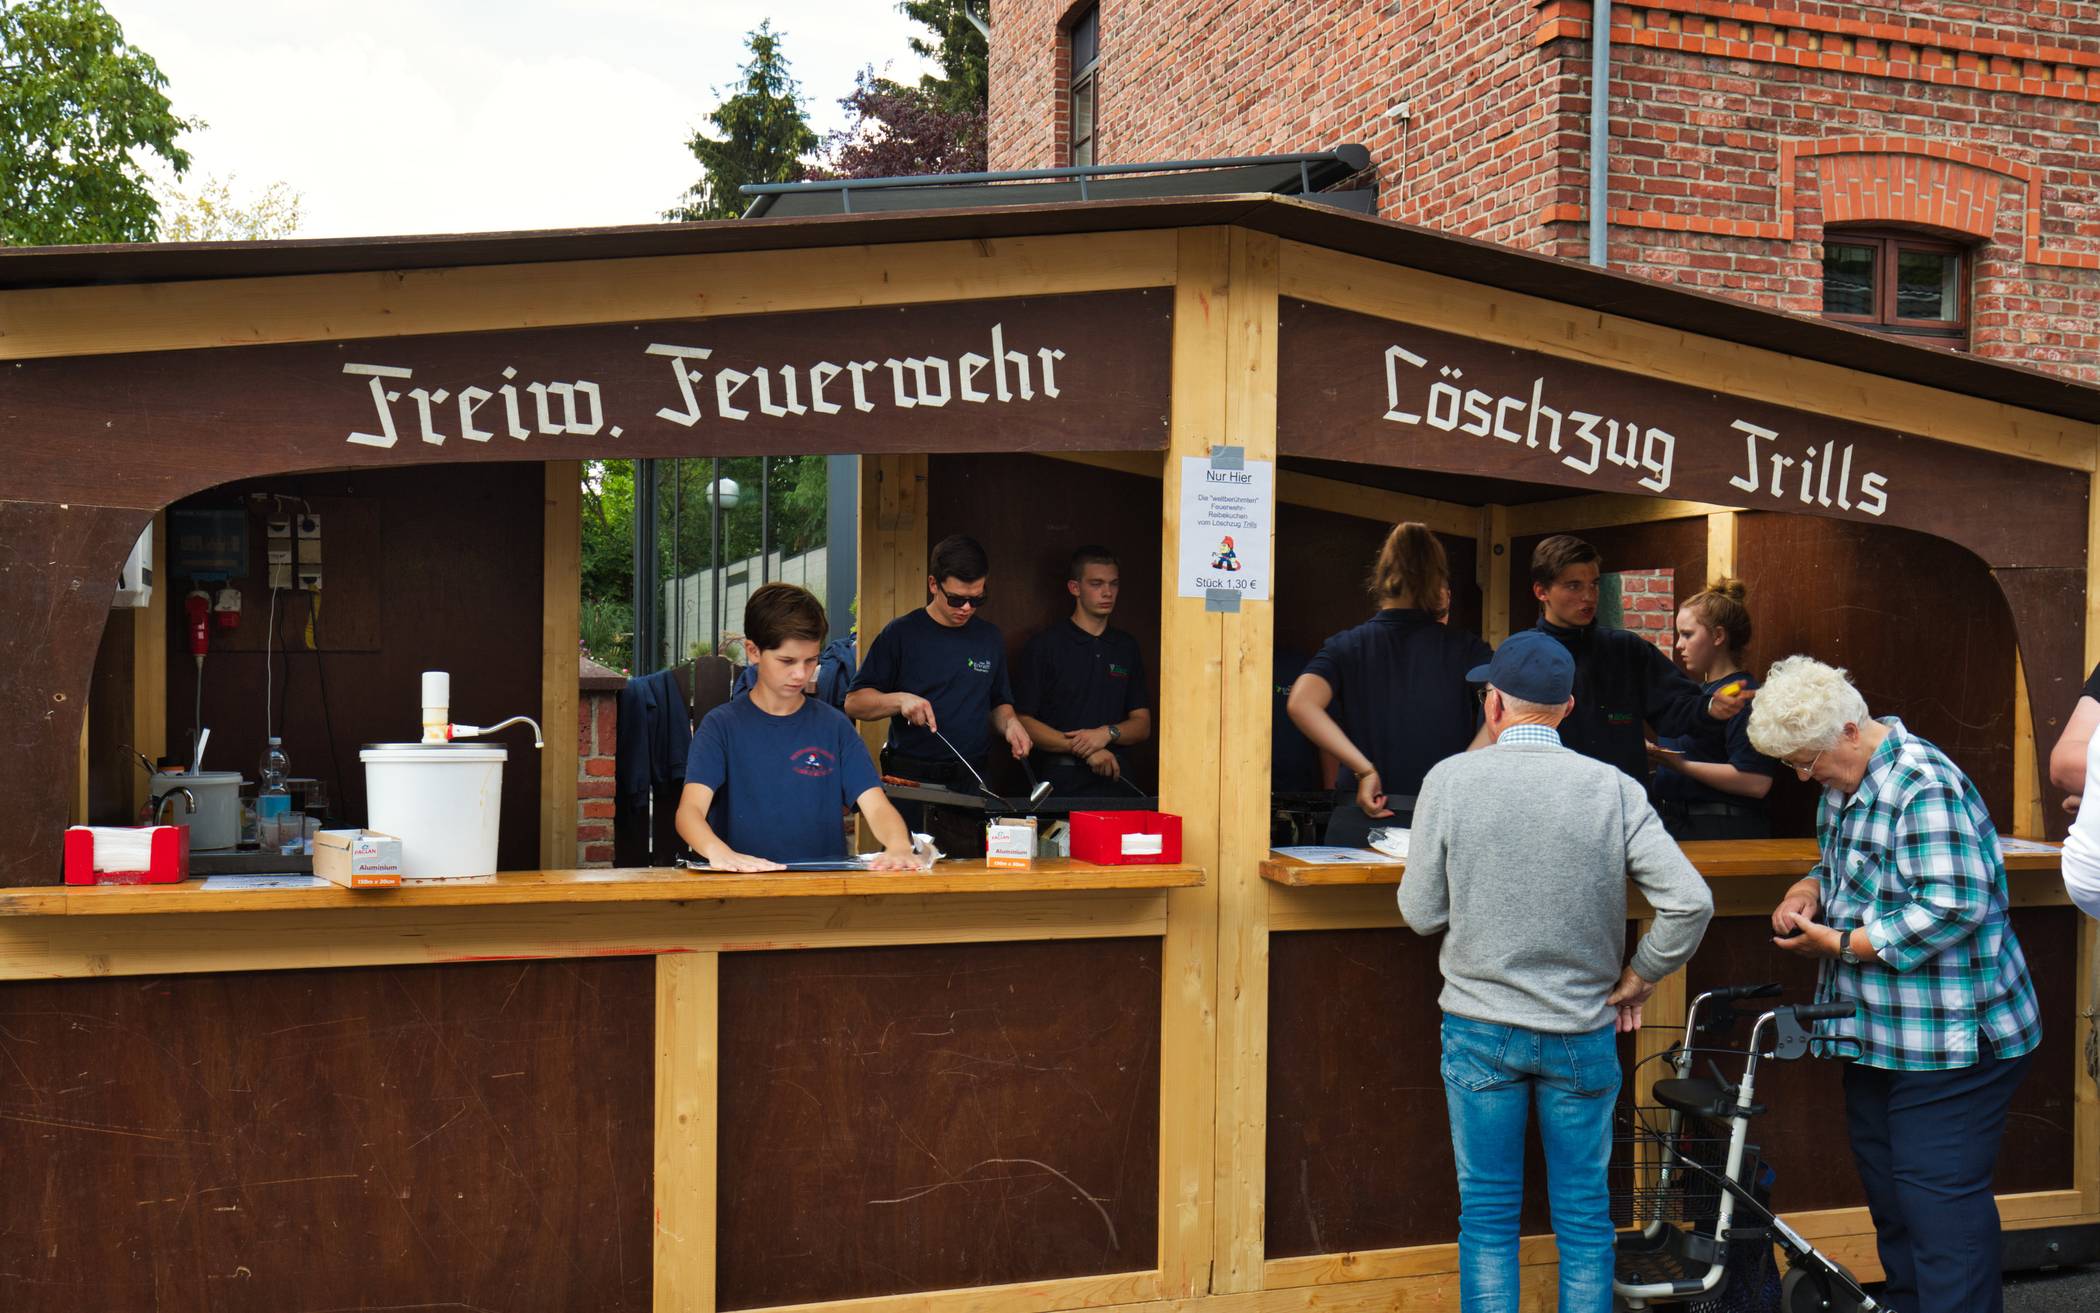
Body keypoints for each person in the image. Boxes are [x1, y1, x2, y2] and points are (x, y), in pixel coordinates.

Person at [1400, 631, 1713, 1313]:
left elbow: (1421, 913)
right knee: (1584, 1217)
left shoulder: (1449, 780)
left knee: (1486, 1219)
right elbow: (1690, 902)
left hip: (1480, 1026)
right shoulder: (1615, 788)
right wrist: (1642, 974)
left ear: (1494, 706)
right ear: (1567, 706)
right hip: (1582, 1027)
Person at [1750, 656, 2041, 1313]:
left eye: (1808, 759)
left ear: (1849, 729)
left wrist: (1844, 944)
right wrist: (1809, 885)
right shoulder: (1846, 781)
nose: (1803, 775)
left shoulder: (1922, 782)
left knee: (1938, 1206)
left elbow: (1952, 904)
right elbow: (1844, 862)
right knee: (1895, 1198)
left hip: (1955, 1040)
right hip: (1884, 1030)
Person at [675, 583, 918, 872]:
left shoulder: (834, 726)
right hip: (741, 892)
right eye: (787, 661)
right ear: (753, 651)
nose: (800, 673)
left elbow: (876, 806)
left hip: (823, 896)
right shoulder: (720, 727)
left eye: (811, 660)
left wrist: (899, 846)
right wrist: (718, 851)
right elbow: (689, 812)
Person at [1286, 522, 1491, 845]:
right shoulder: (1466, 648)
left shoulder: (1348, 645)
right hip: (1441, 822)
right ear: (1437, 578)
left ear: (1383, 576)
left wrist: (1364, 770)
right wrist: (1460, 773)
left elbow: (1301, 703)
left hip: (1361, 820)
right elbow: (1508, 708)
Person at [1527, 534, 1752, 784]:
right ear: (1541, 591)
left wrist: (1710, 708)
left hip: (1622, 804)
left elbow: (1674, 707)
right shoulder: (1523, 656)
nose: (1589, 596)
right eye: (1574, 586)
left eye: (1594, 584)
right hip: (1555, 802)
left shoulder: (1626, 649)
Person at [845, 534, 1033, 818]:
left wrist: (1011, 724)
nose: (967, 608)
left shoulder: (989, 638)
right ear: (933, 584)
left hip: (972, 780)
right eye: (957, 599)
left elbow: (998, 702)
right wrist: (900, 700)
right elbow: (855, 703)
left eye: (977, 599)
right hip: (914, 780)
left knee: (972, 863)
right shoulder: (901, 634)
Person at [1014, 546, 1153, 798]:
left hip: (1117, 779)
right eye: (1097, 584)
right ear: (1074, 588)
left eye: (1113, 584)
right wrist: (1085, 748)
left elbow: (1142, 725)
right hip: (1060, 782)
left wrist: (1107, 733)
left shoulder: (1126, 647)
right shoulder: (1046, 645)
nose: (1107, 592)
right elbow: (1022, 721)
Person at [1646, 578, 1776, 839]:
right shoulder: (1695, 696)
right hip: (1675, 823)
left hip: (1720, 831)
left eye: (1687, 634)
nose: (1678, 645)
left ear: (1718, 635)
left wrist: (1680, 765)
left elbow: (1756, 782)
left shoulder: (1743, 695)